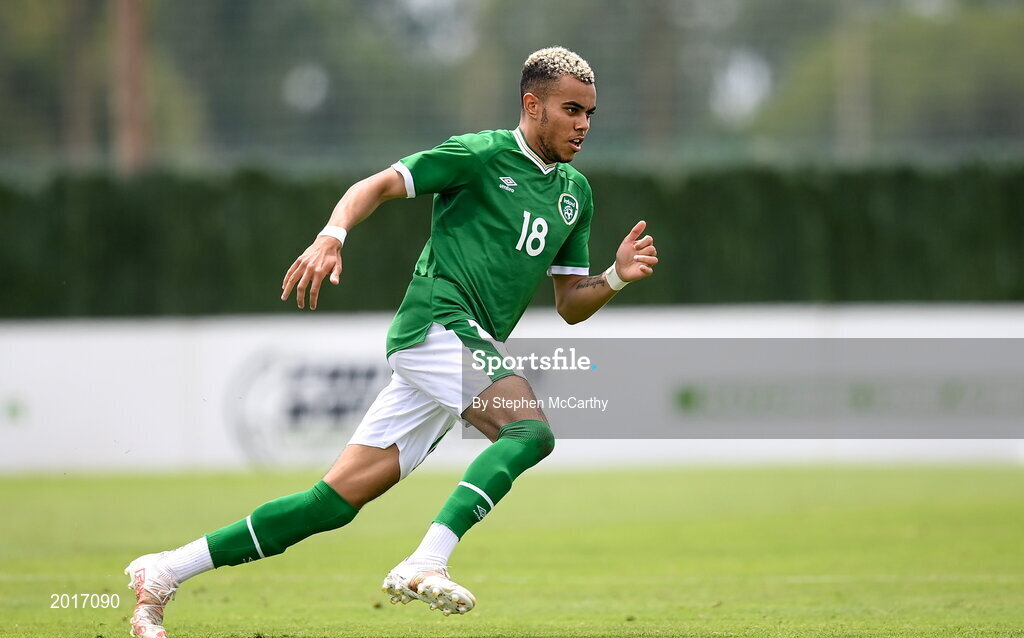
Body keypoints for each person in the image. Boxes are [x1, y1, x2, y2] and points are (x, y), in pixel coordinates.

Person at [124, 46, 658, 638]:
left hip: (462, 345)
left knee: (332, 503)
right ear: (532, 106)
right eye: (571, 110)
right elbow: (376, 184)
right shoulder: (479, 155)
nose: (583, 125)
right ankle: (426, 560)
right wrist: (333, 234)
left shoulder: (575, 194)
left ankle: (165, 572)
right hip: (437, 321)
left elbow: (569, 305)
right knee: (529, 431)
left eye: (590, 113)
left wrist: (612, 277)